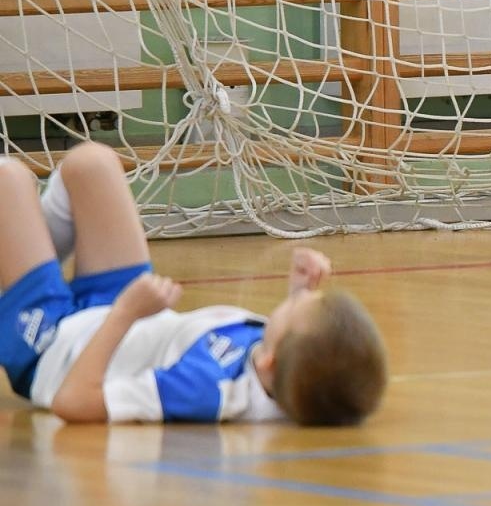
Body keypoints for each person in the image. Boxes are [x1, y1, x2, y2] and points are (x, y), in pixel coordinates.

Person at [0, 142, 387, 425]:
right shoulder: (285, 371)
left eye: (299, 308)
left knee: (7, 179)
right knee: (92, 164)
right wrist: (298, 292)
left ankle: (16, 265)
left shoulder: (204, 389)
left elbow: (72, 401)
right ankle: (17, 257)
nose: (306, 297)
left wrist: (124, 314)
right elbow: (292, 349)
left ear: (270, 359)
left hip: (56, 350)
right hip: (123, 317)